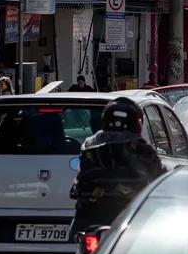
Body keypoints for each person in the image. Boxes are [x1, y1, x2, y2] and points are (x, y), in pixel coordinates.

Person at [69, 97, 167, 240]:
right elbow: (160, 180)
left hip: (89, 219)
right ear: (136, 123)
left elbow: (78, 184)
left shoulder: (89, 148)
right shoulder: (144, 151)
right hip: (130, 218)